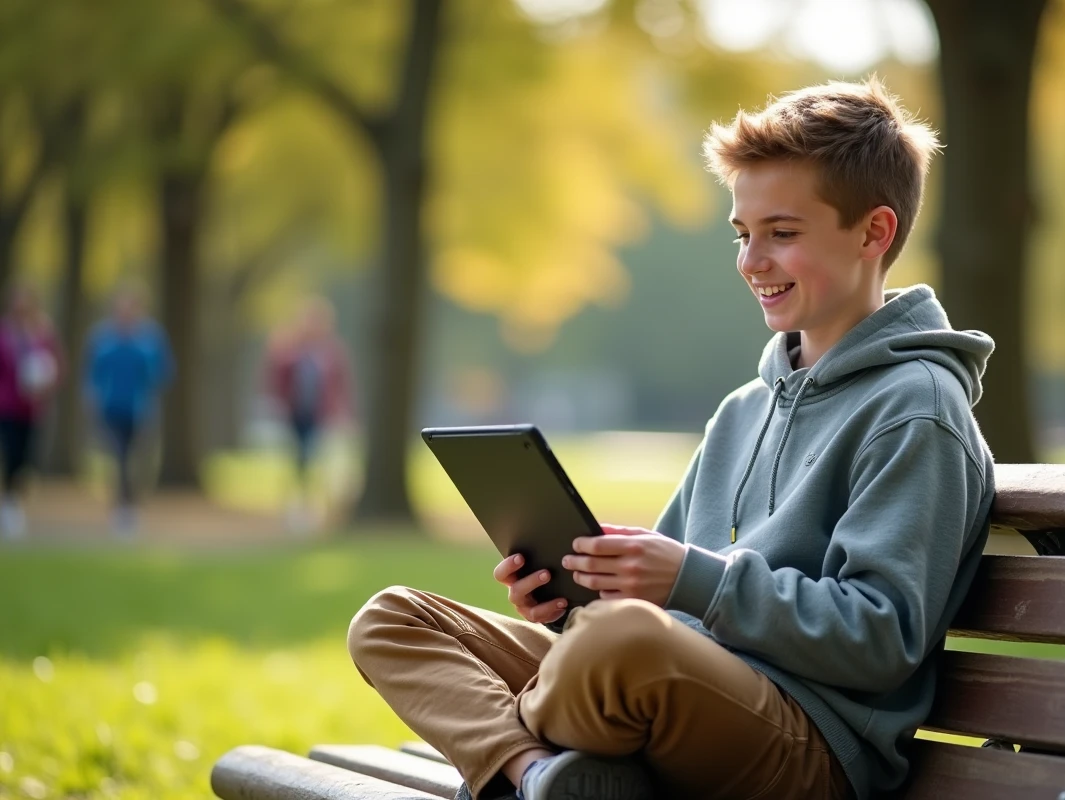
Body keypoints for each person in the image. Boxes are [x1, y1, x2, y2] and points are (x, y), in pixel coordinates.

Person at [347, 79, 996, 800]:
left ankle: (527, 760)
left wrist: (687, 581)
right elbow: (648, 614)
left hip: (810, 747)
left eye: (782, 233)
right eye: (743, 234)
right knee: (394, 618)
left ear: (873, 233)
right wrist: (569, 604)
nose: (752, 261)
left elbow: (882, 638)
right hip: (679, 692)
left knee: (617, 643)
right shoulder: (745, 409)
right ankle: (536, 777)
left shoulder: (917, 410)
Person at [84, 287, 174, 534]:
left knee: (138, 458)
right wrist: (92, 400)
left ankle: (131, 502)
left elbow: (163, 372)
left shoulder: (150, 338)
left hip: (141, 410)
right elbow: (92, 373)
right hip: (110, 408)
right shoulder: (103, 338)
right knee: (119, 456)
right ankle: (122, 507)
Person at [263, 297, 353, 532]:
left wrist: (343, 413)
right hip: (295, 415)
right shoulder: (289, 351)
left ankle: (317, 512)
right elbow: (276, 379)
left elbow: (341, 386)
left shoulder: (331, 353)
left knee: (318, 462)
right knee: (297, 461)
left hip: (321, 416)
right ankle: (296, 509)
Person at [0, 286, 62, 539]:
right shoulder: (4, 334)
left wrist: (46, 382)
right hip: (6, 405)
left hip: (33, 409)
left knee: (27, 457)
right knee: (11, 452)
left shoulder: (43, 334)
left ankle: (15, 498)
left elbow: (57, 366)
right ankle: (10, 503)